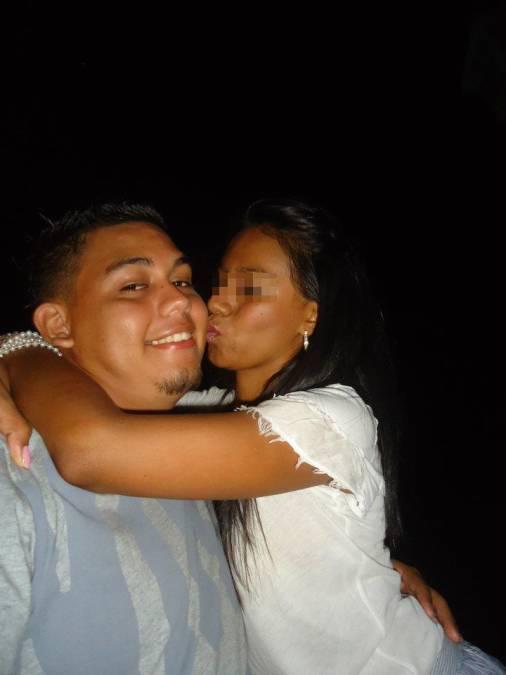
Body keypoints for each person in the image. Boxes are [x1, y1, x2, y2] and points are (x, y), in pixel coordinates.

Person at [0, 200, 487, 673]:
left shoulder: (330, 420)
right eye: (134, 285)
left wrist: (20, 351)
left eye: (248, 288)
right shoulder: (200, 418)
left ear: (310, 316)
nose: (207, 301)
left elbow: (95, 450)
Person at [0, 204, 248, 675]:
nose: (181, 302)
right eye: (134, 286)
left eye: (183, 281)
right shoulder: (16, 471)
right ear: (58, 326)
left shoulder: (210, 435)